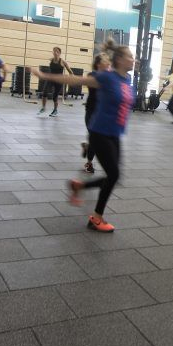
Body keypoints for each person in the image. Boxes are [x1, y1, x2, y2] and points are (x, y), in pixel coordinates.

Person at [30, 39, 137, 233]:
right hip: (100, 133)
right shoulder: (106, 78)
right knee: (113, 175)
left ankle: (79, 186)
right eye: (130, 56)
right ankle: (96, 218)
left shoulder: (127, 80)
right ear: (120, 60)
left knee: (114, 177)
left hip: (115, 134)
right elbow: (75, 80)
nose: (133, 59)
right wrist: (44, 75)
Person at [81, 53, 107, 173]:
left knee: (97, 139)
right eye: (105, 61)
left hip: (103, 113)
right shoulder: (91, 75)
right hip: (91, 112)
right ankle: (89, 163)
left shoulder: (109, 76)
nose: (108, 63)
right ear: (98, 64)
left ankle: (87, 147)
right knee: (95, 138)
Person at [38, 46, 70, 116]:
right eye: (54, 51)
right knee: (44, 92)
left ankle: (55, 110)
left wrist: (72, 77)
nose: (55, 53)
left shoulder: (63, 62)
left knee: (55, 96)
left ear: (60, 53)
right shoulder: (51, 60)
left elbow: (70, 71)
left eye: (57, 51)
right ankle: (43, 108)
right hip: (50, 78)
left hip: (59, 80)